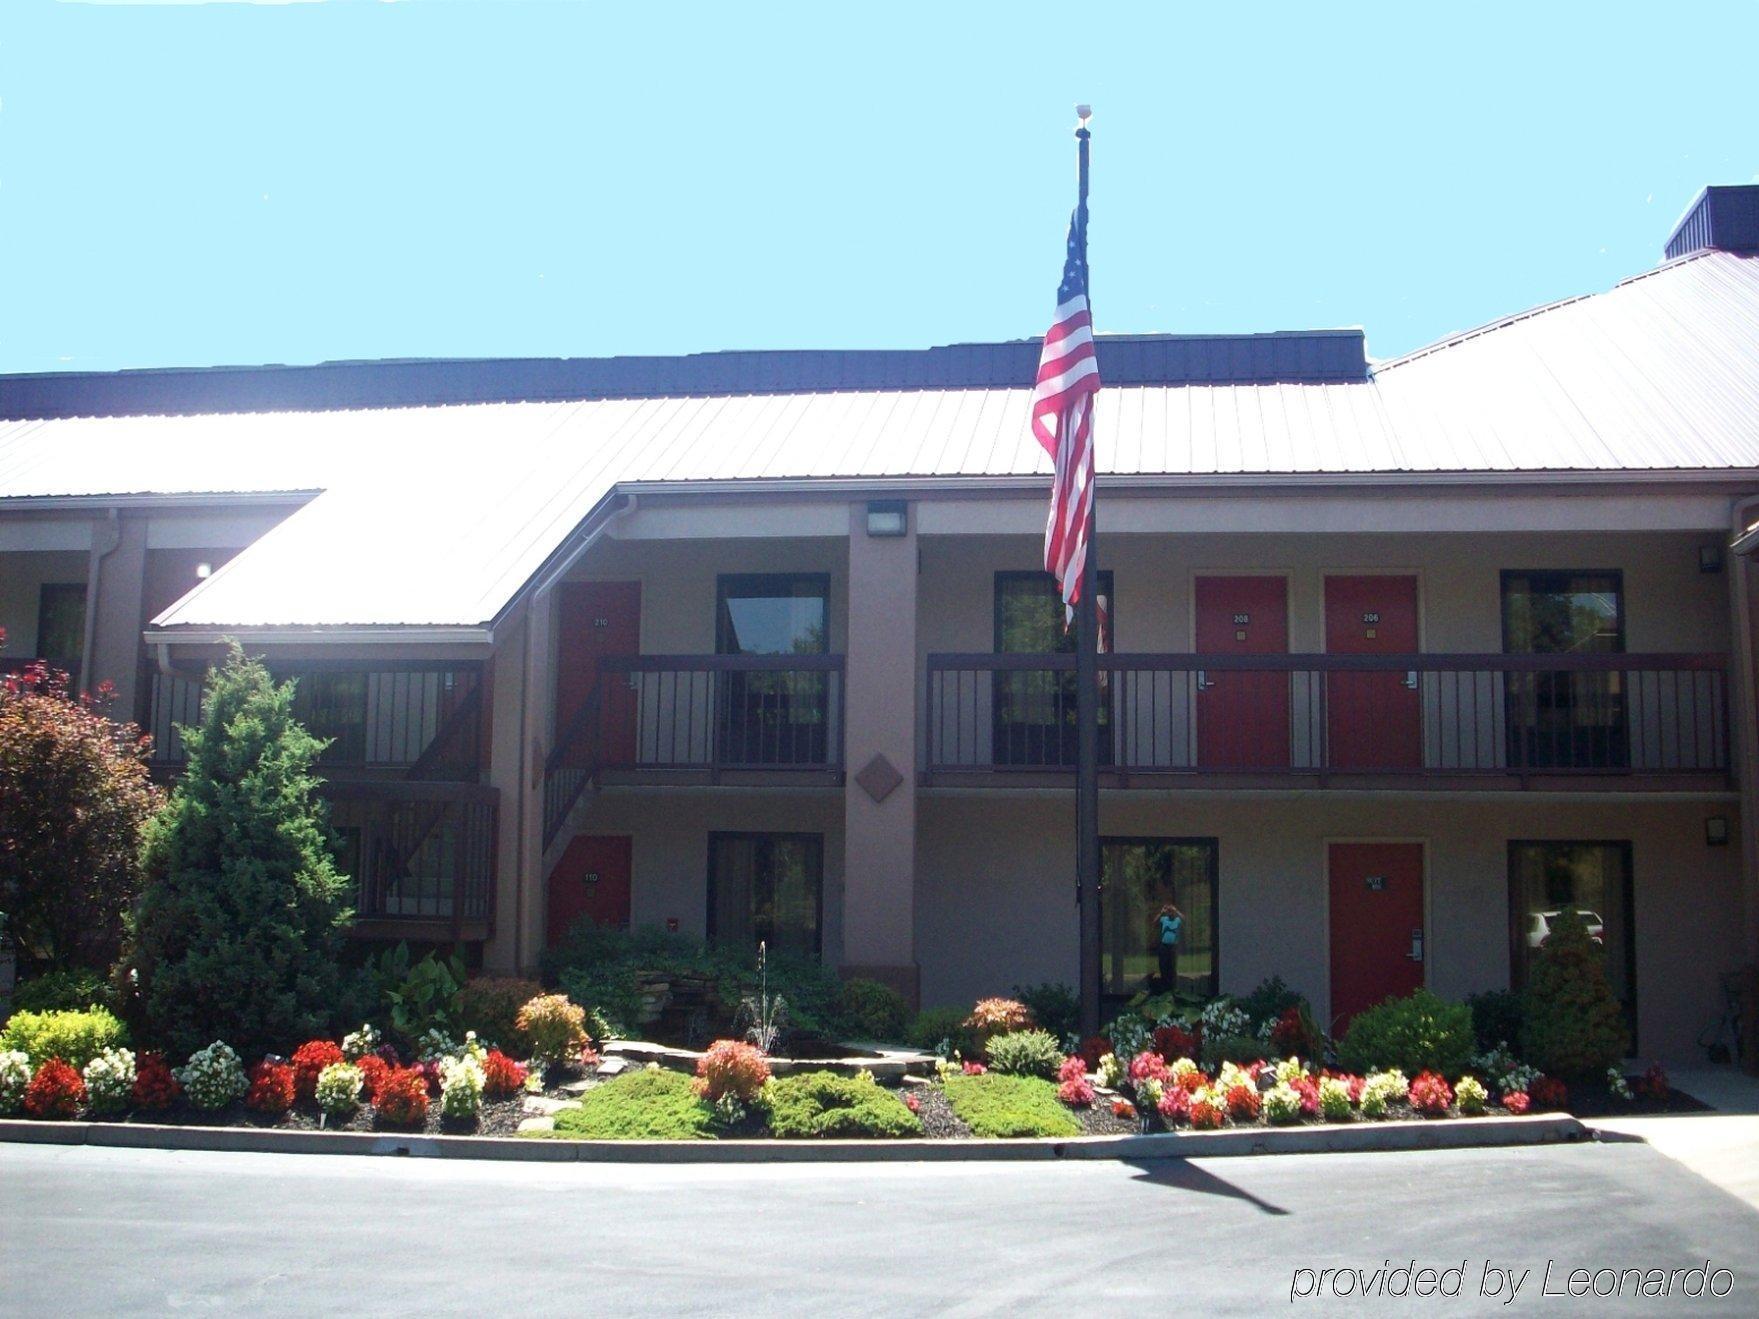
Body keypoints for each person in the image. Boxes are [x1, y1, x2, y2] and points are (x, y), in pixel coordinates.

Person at [1154, 903, 1184, 992]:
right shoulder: (1164, 919)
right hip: (1164, 946)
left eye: (1171, 911)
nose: (1170, 913)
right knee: (1163, 966)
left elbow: (1185, 920)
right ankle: (1164, 987)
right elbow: (1154, 922)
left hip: (1173, 946)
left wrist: (1177, 911)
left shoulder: (1177, 920)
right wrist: (1161, 912)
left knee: (1172, 967)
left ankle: (1172, 988)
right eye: (1169, 911)